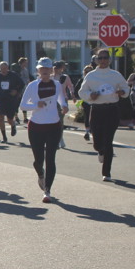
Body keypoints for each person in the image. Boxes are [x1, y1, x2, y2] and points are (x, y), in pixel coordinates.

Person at [20, 57, 69, 203]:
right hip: (36, 126)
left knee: (50, 158)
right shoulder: (32, 86)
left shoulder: (57, 85)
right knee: (38, 160)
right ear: (38, 71)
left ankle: (47, 190)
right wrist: (36, 105)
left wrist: (64, 105)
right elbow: (22, 105)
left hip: (53, 125)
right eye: (42, 69)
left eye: (47, 68)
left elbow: (60, 98)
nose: (45, 71)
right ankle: (40, 174)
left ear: (52, 70)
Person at [78, 49, 130, 182]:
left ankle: (107, 173)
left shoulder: (115, 75)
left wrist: (122, 92)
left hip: (112, 109)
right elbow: (82, 92)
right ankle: (100, 150)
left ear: (109, 59)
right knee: (97, 143)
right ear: (96, 60)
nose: (103, 60)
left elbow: (126, 88)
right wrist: (90, 95)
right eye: (100, 58)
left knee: (108, 141)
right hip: (97, 110)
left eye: (105, 58)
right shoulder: (91, 76)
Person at [0, 61, 24, 142]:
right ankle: (4, 137)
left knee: (9, 119)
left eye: (5, 68)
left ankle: (13, 125)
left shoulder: (13, 75)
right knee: (1, 117)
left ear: (7, 68)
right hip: (1, 99)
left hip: (11, 100)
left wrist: (16, 91)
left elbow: (22, 84)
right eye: (1, 69)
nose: (3, 70)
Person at [53, 61, 76, 148]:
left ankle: (60, 138)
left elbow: (70, 86)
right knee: (53, 119)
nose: (57, 70)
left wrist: (73, 95)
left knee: (60, 120)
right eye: (55, 68)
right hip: (53, 100)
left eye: (59, 68)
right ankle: (55, 138)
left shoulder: (65, 77)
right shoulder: (50, 77)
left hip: (63, 100)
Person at [77, 64, 95, 142]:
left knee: (94, 117)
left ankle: (94, 132)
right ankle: (87, 132)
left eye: (89, 71)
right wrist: (81, 96)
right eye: (86, 71)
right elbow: (77, 90)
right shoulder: (82, 80)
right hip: (85, 101)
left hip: (95, 101)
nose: (88, 73)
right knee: (87, 116)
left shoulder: (95, 80)